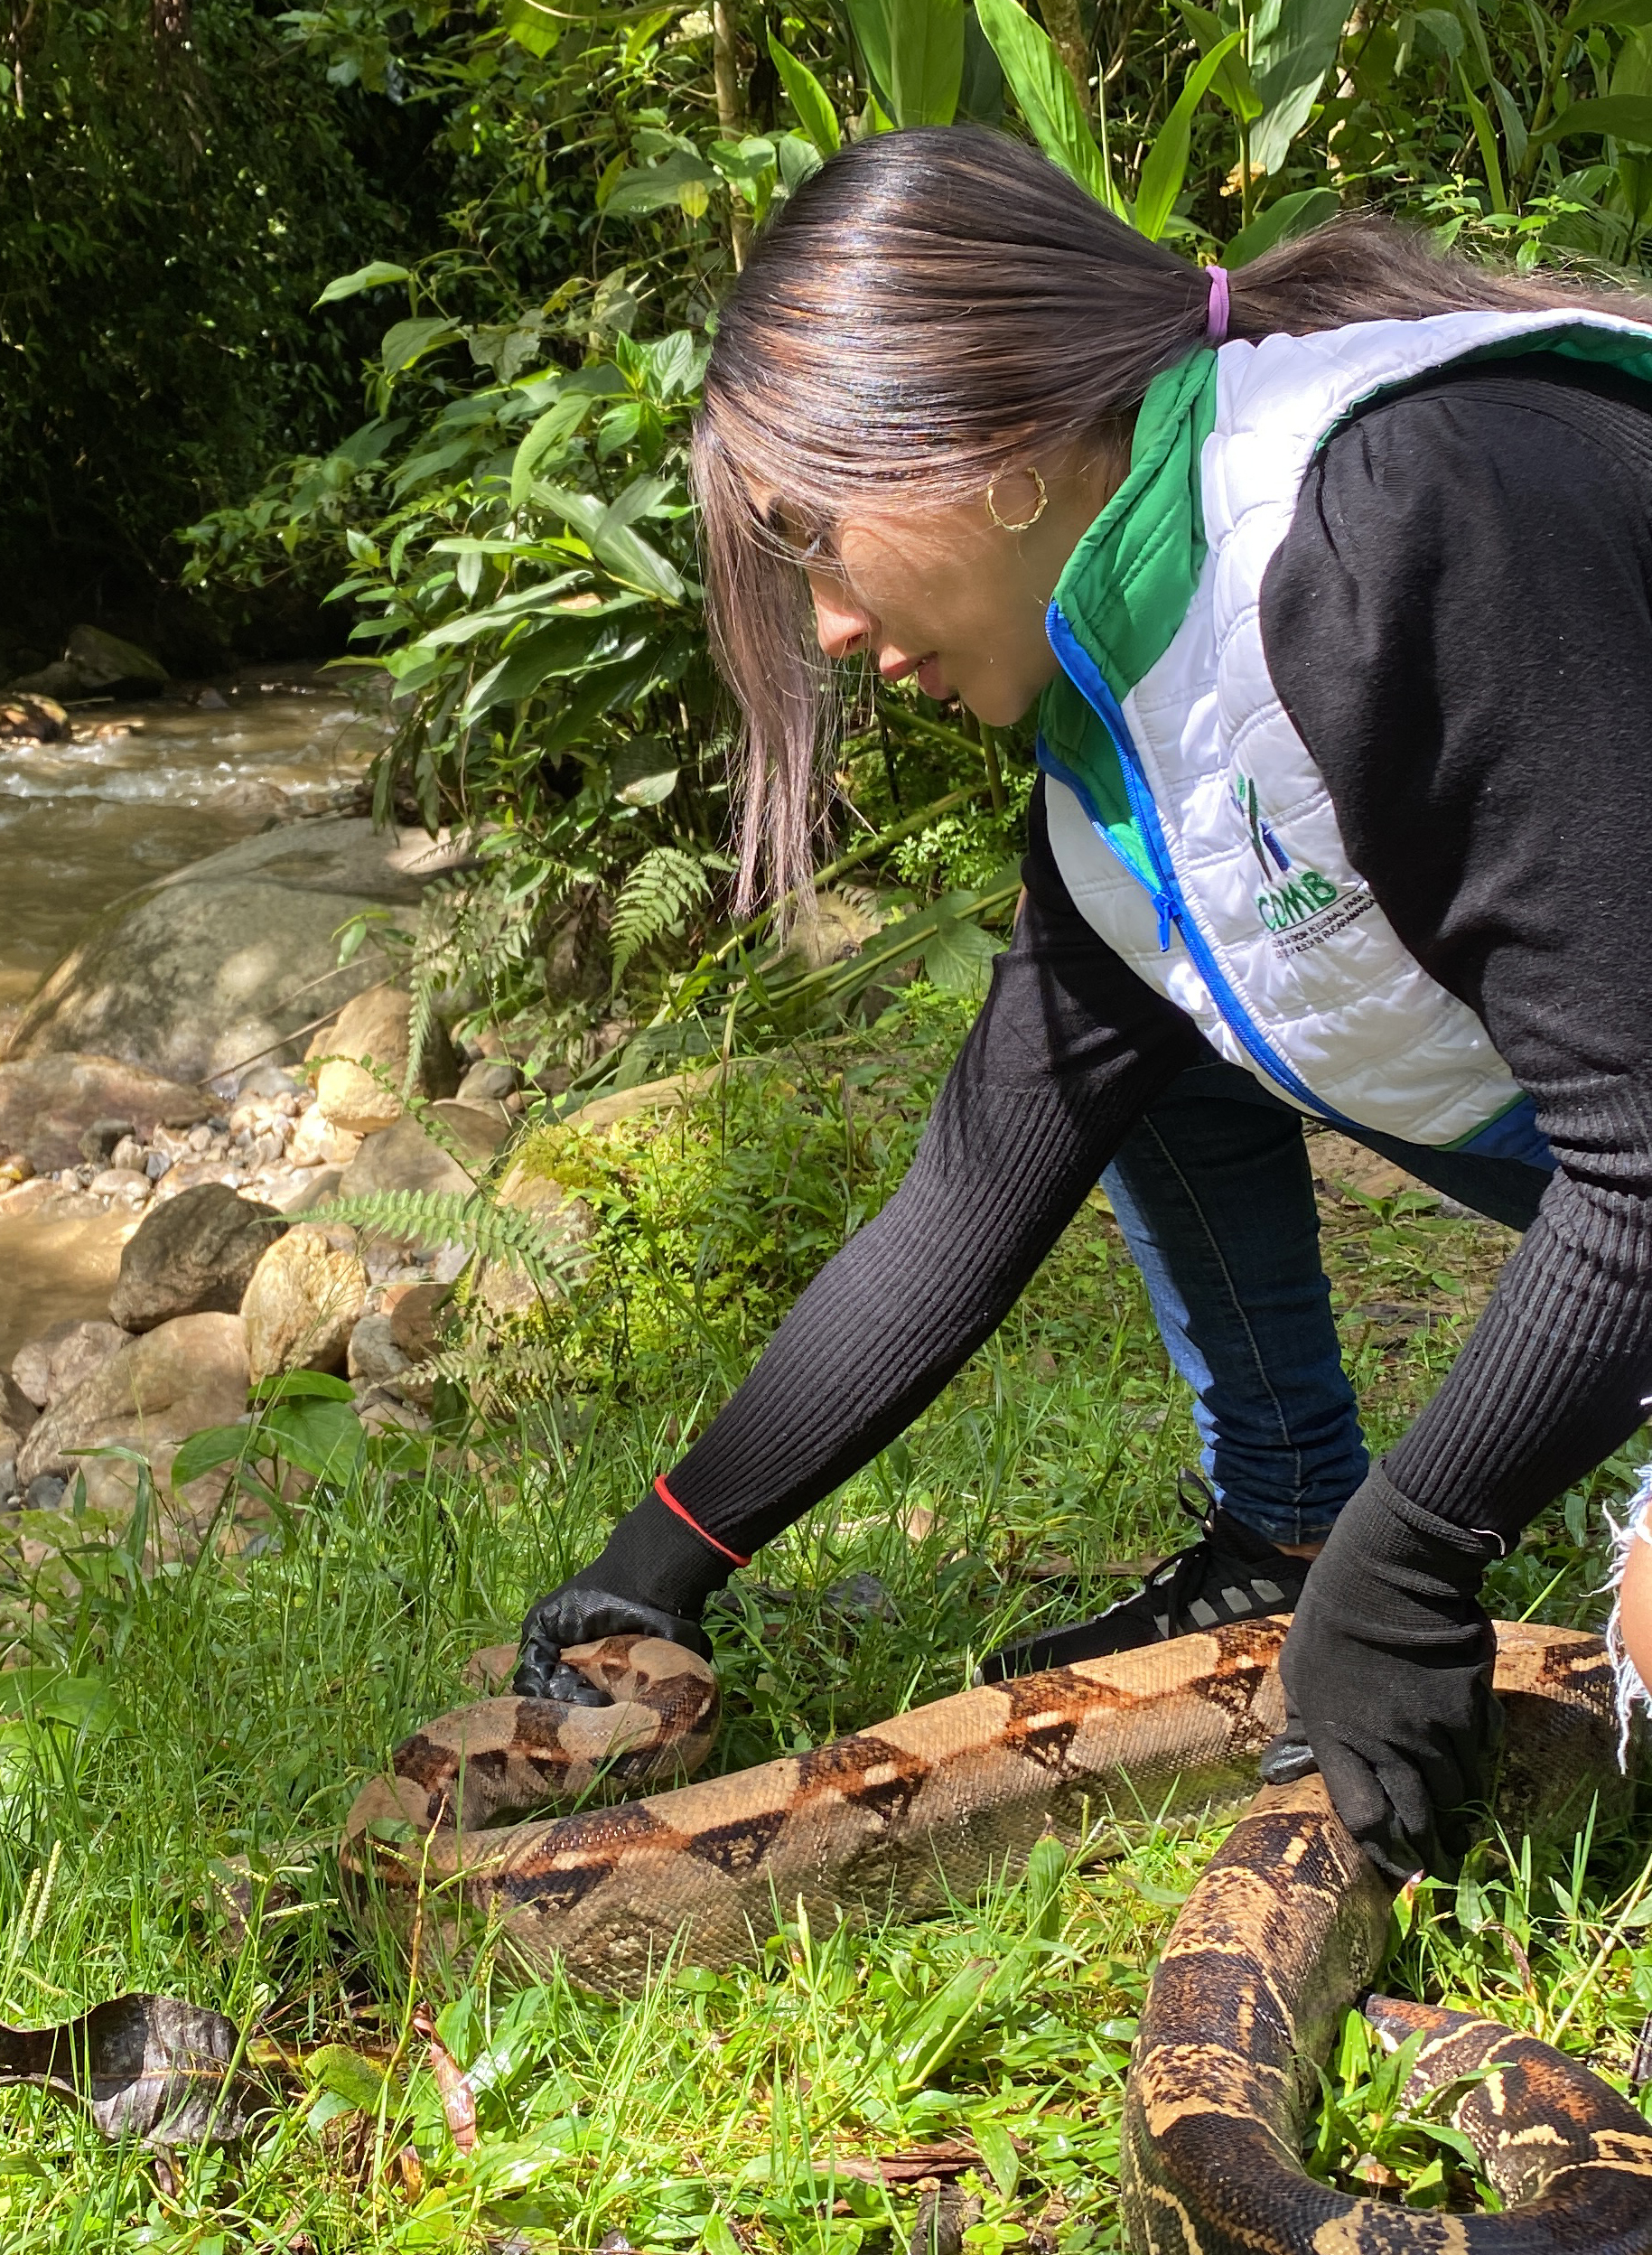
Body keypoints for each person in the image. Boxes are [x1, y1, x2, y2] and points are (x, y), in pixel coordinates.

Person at [514, 125, 1652, 1885]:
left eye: (819, 540)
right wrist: (655, 1560)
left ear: (984, 448)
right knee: (1159, 1022)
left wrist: (1413, 1558)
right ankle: (1279, 1529)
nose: (825, 628)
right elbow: (965, 1205)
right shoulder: (1133, 733)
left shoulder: (1406, 510)